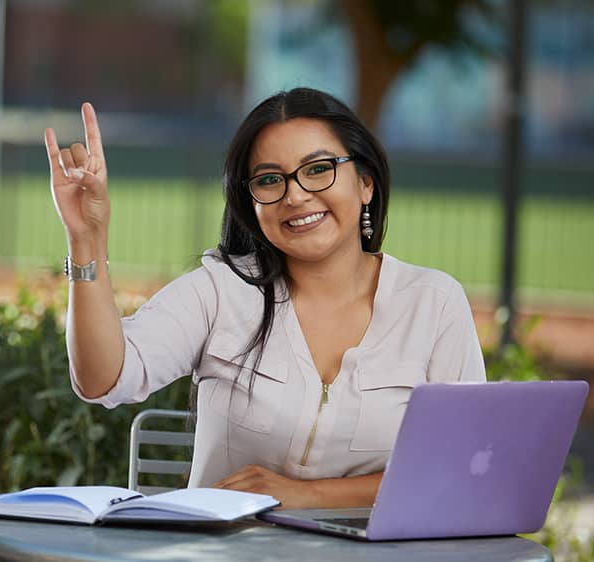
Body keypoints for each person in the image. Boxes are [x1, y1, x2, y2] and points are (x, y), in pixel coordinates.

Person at [45, 87, 486, 510]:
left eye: (318, 169)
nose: (295, 195)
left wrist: (307, 495)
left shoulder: (434, 304)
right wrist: (86, 241)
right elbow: (103, 378)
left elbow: (463, 469)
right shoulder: (221, 289)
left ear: (365, 183)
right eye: (270, 179)